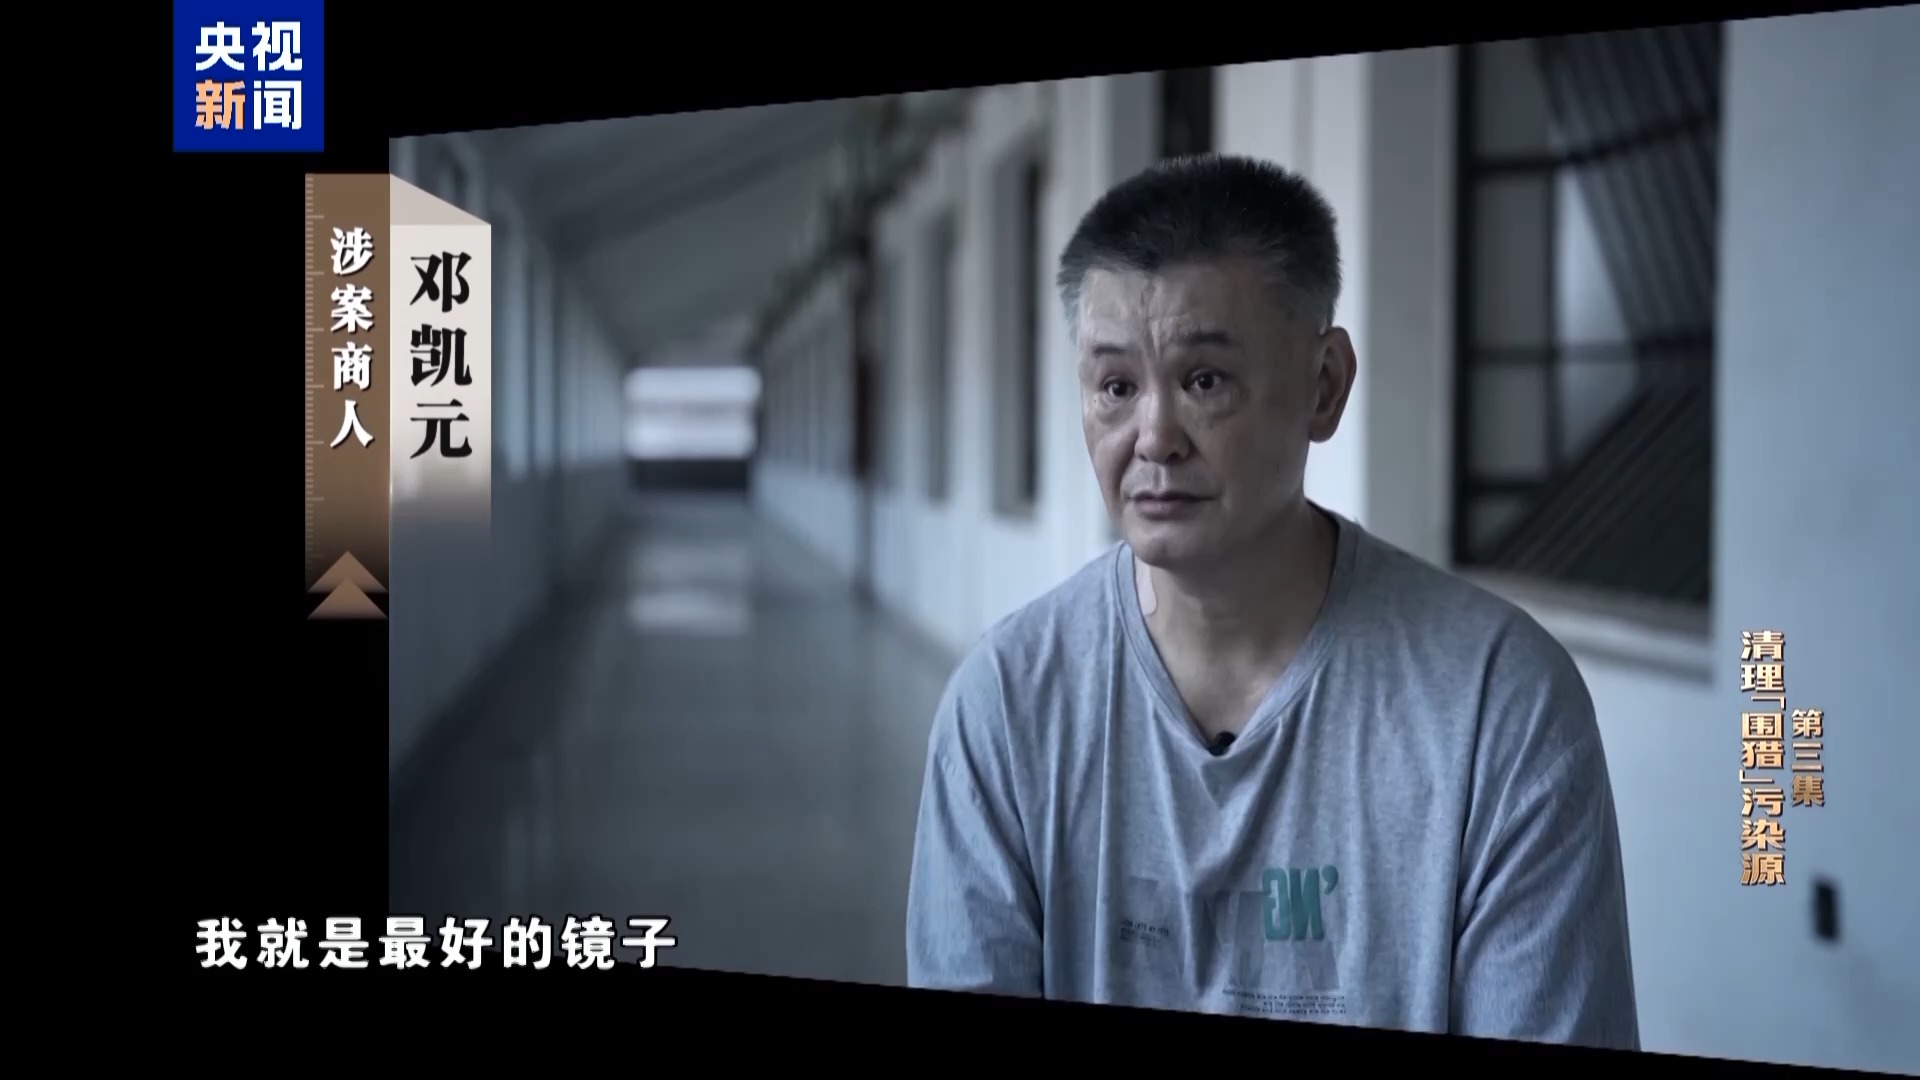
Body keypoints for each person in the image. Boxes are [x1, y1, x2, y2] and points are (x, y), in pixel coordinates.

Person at [904, 153, 1640, 1050]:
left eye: (1204, 381)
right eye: (1117, 387)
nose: (1154, 438)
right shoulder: (1008, 705)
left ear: (1324, 385)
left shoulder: (1499, 708)